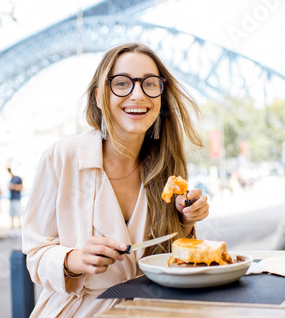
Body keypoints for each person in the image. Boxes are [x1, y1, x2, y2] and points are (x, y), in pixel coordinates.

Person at [22, 42, 209, 317]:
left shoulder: (165, 167)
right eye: (122, 84)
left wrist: (187, 221)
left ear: (161, 96)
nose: (137, 94)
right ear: (99, 96)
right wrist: (74, 260)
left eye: (150, 84)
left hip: (153, 310)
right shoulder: (62, 156)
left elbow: (170, 259)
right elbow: (35, 255)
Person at [8, 167, 23, 236]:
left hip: (17, 200)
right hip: (12, 199)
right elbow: (9, 187)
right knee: (12, 216)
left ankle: (20, 231)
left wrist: (13, 186)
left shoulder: (18, 179)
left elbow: (20, 187)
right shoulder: (11, 179)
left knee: (18, 215)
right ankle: (12, 232)